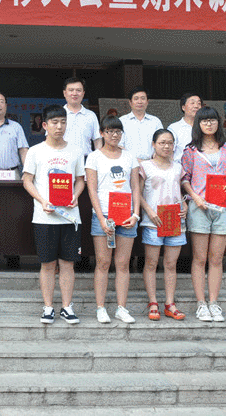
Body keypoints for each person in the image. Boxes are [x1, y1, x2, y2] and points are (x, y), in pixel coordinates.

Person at [22, 105, 85, 324]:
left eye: (63, 122)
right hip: (44, 217)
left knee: (68, 263)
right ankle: (48, 307)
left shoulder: (76, 151)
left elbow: (80, 180)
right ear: (45, 125)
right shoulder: (35, 151)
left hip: (70, 216)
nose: (59, 126)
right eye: (55, 122)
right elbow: (27, 180)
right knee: (48, 264)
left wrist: (75, 196)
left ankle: (67, 307)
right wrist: (42, 201)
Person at [181, 106, 226, 322]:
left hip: (223, 207)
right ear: (198, 124)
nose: (209, 124)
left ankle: (214, 303)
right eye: (204, 120)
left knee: (216, 258)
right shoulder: (190, 150)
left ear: (218, 123)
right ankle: (201, 304)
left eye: (212, 120)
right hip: (200, 207)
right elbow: (184, 178)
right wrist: (195, 197)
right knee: (199, 258)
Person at [85, 115, 141, 324]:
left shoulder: (129, 157)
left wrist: (136, 214)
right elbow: (92, 189)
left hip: (126, 214)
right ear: (102, 133)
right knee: (103, 262)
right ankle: (100, 308)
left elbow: (135, 187)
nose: (114, 135)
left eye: (118, 131)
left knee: (123, 263)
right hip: (104, 214)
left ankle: (121, 308)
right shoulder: (94, 157)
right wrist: (100, 217)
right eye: (109, 131)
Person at [139, 129, 188, 322]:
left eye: (170, 143)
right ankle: (153, 302)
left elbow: (180, 191)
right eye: (162, 143)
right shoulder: (145, 167)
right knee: (151, 263)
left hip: (174, 221)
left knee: (170, 264)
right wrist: (149, 211)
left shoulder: (178, 167)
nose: (166, 146)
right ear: (153, 144)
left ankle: (170, 304)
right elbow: (137, 193)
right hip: (153, 221)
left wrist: (184, 204)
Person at [120, 86, 163, 161]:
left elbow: (161, 142)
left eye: (143, 98)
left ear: (147, 102)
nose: (139, 102)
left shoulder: (155, 121)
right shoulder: (122, 121)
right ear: (130, 102)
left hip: (151, 163)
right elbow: (119, 145)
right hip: (128, 163)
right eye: (136, 99)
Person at [62, 77, 101, 156]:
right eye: (71, 90)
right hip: (62, 159)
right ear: (65, 93)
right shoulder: (58, 114)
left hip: (86, 159)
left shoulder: (91, 115)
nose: (75, 93)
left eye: (78, 90)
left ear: (83, 93)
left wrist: (98, 159)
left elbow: (97, 141)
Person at [167, 93, 202, 163]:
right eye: (192, 103)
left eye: (199, 103)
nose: (196, 106)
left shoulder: (205, 127)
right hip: (180, 167)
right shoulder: (174, 128)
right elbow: (168, 152)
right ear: (183, 107)